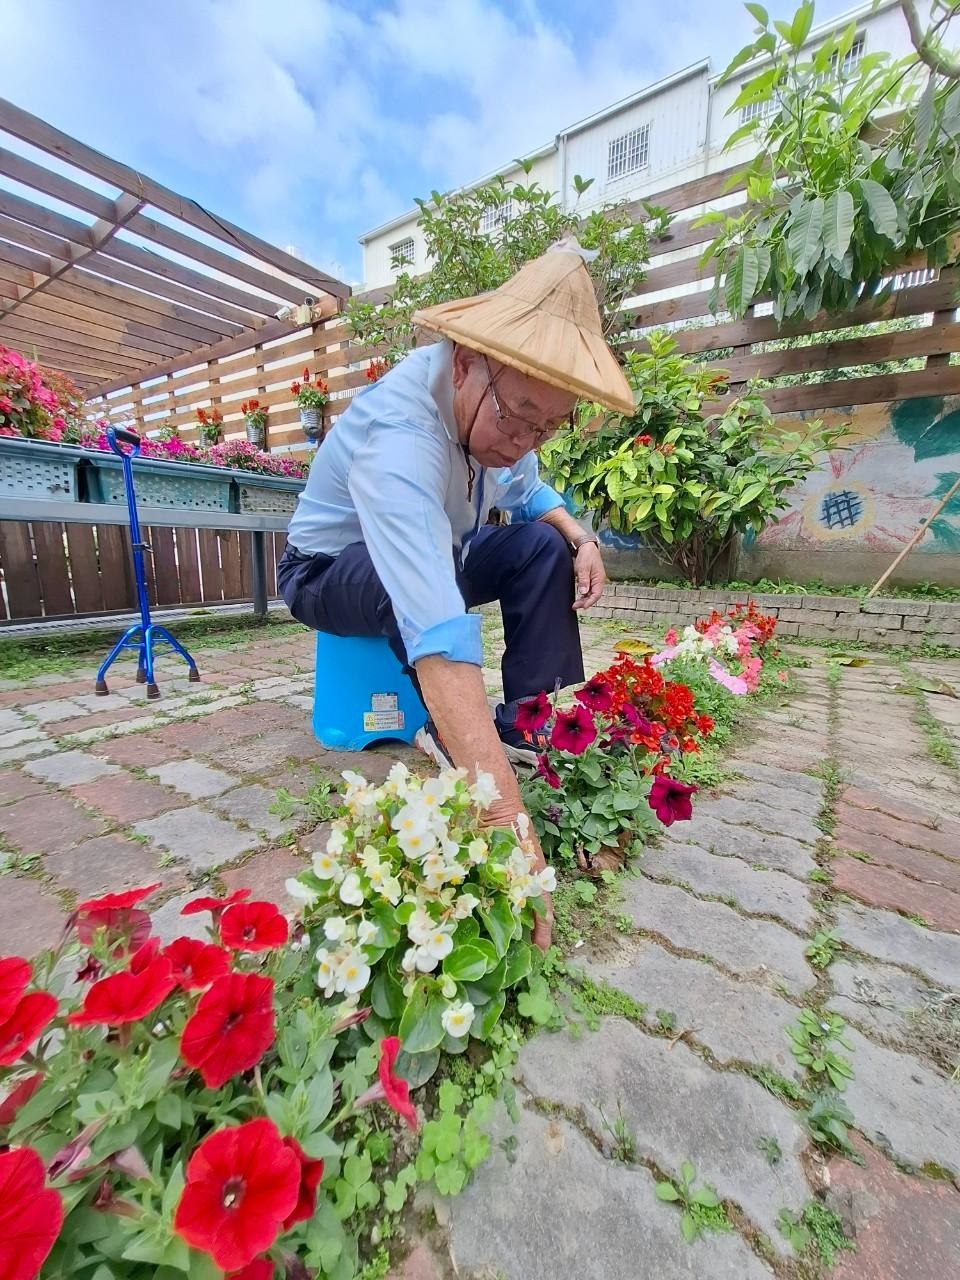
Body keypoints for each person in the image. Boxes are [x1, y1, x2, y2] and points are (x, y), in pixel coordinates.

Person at [277, 241, 634, 947]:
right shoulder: (401, 434)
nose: (526, 439)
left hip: (438, 551)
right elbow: (431, 607)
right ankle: (463, 742)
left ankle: (533, 724)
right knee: (404, 576)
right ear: (465, 365)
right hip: (325, 572)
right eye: (519, 417)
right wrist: (501, 815)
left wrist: (581, 538)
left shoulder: (503, 413)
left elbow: (529, 490)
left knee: (541, 545)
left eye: (548, 426)